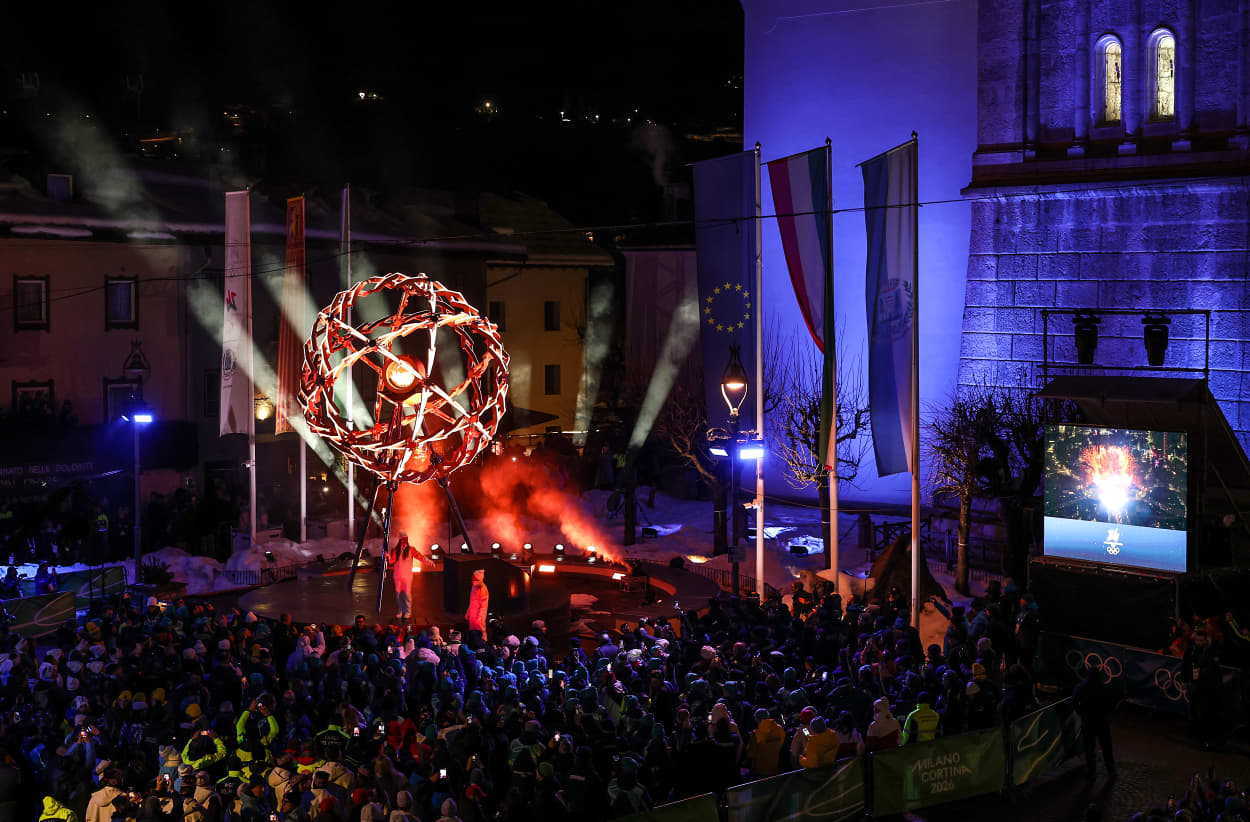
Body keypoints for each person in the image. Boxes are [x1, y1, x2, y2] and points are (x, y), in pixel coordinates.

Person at [1072, 668, 1118, 779]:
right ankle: (1111, 770)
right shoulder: (1105, 688)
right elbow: (1112, 705)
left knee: (1089, 748)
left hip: (1088, 721)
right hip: (1102, 722)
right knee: (1106, 746)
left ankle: (1091, 771)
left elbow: (1074, 702)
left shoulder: (1082, 688)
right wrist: (1106, 714)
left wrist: (1081, 712)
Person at [389, 533, 416, 622]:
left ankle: (408, 611)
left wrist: (428, 561)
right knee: (398, 594)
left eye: (406, 539)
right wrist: (387, 557)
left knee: (407, 594)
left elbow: (420, 556)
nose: (405, 540)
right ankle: (400, 610)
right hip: (397, 575)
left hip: (407, 576)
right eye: (403, 539)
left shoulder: (411, 549)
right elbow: (391, 561)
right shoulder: (395, 550)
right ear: (400, 539)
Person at [466, 568, 489, 635]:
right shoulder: (474, 587)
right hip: (473, 616)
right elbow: (471, 601)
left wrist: (479, 617)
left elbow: (483, 605)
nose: (472, 580)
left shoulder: (482, 588)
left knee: (480, 632)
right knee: (473, 632)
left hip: (479, 617)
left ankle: (482, 643)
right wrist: (468, 613)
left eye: (474, 578)